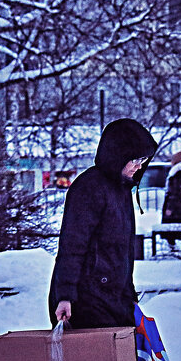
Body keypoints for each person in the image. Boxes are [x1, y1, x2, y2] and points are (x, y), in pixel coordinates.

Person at [48, 118, 159, 328]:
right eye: (134, 159)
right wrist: (65, 295)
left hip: (114, 299)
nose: (139, 166)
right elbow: (73, 244)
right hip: (86, 300)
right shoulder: (90, 187)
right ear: (118, 155)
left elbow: (121, 251)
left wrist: (129, 294)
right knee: (98, 359)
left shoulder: (121, 189)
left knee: (125, 358)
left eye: (143, 160)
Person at [160, 149, 181, 252]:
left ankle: (174, 249)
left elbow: (174, 193)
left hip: (175, 209)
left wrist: (169, 208)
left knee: (171, 229)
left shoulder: (175, 176)